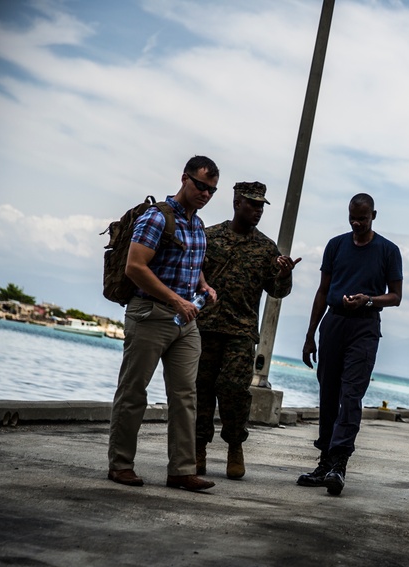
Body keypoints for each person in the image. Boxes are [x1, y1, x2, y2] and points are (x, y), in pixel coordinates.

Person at [107, 155, 220, 492]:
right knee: (133, 392)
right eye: (200, 185)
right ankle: (121, 465)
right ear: (184, 179)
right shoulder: (157, 218)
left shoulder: (197, 225)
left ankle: (182, 471)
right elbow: (135, 267)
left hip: (185, 322)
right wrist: (176, 299)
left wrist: (202, 285)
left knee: (186, 396)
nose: (205, 193)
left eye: (211, 190)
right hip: (150, 314)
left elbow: (190, 262)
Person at [297, 193, 402, 495]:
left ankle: (339, 465)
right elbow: (322, 290)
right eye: (352, 218)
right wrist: (309, 336)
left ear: (374, 216)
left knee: (351, 395)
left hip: (365, 327)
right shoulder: (336, 245)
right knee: (328, 394)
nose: (357, 223)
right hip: (333, 323)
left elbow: (395, 296)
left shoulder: (388, 251)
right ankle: (324, 463)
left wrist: (368, 300)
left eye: (363, 218)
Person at [194, 181, 301, 480]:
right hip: (205, 328)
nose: (257, 211)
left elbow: (277, 291)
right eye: (252, 204)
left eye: (261, 206)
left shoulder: (266, 248)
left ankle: (235, 447)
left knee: (234, 391)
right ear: (237, 202)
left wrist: (284, 275)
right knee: (200, 391)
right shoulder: (209, 237)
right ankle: (198, 448)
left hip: (241, 333)